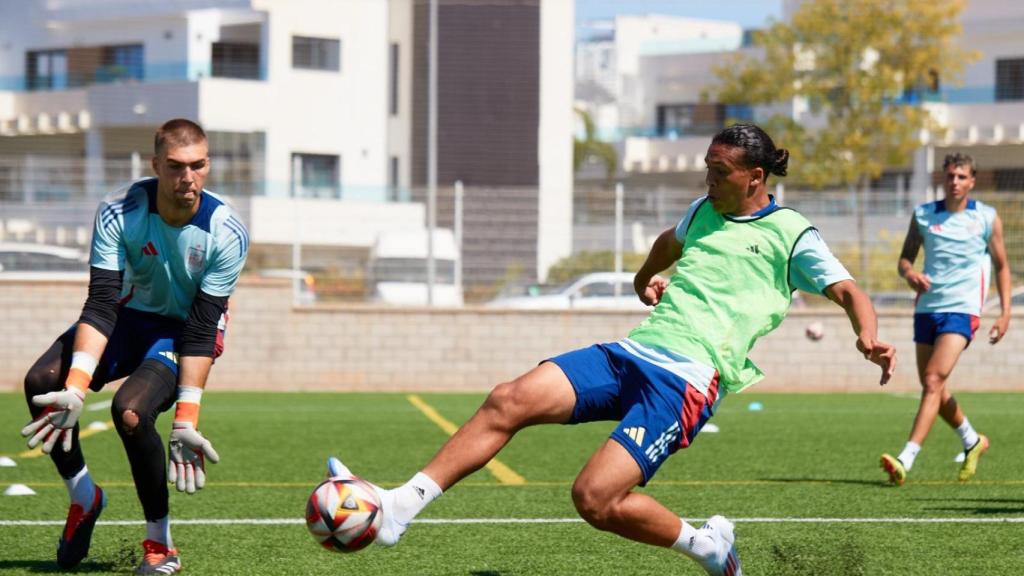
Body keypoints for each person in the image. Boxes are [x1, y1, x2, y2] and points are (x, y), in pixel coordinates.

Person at [330, 124, 896, 575]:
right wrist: (645, 278)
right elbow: (669, 242)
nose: (708, 180)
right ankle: (401, 506)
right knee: (508, 399)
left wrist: (866, 334)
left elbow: (849, 290)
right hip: (633, 353)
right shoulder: (703, 212)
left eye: (719, 172)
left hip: (687, 381)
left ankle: (707, 547)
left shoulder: (791, 232)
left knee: (594, 498)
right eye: (706, 167)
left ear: (755, 177)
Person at [20, 118, 248, 574]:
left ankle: (161, 545)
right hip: (128, 317)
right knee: (43, 382)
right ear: (155, 165)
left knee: (130, 411)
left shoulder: (227, 232)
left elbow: (203, 328)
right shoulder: (118, 210)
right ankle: (84, 497)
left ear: (207, 164)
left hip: (183, 330)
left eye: (198, 165)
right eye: (176, 166)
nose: (188, 177)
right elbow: (102, 303)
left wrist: (186, 419)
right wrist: (76, 387)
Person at [880, 153, 1011, 486]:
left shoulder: (986, 218)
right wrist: (910, 274)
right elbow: (905, 260)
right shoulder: (924, 215)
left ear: (972, 181)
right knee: (934, 387)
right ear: (943, 178)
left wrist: (1005, 312)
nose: (955, 182)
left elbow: (1002, 266)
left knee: (933, 379)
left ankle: (906, 458)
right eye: (950, 175)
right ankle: (971, 440)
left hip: (963, 309)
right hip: (927, 309)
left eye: (962, 176)